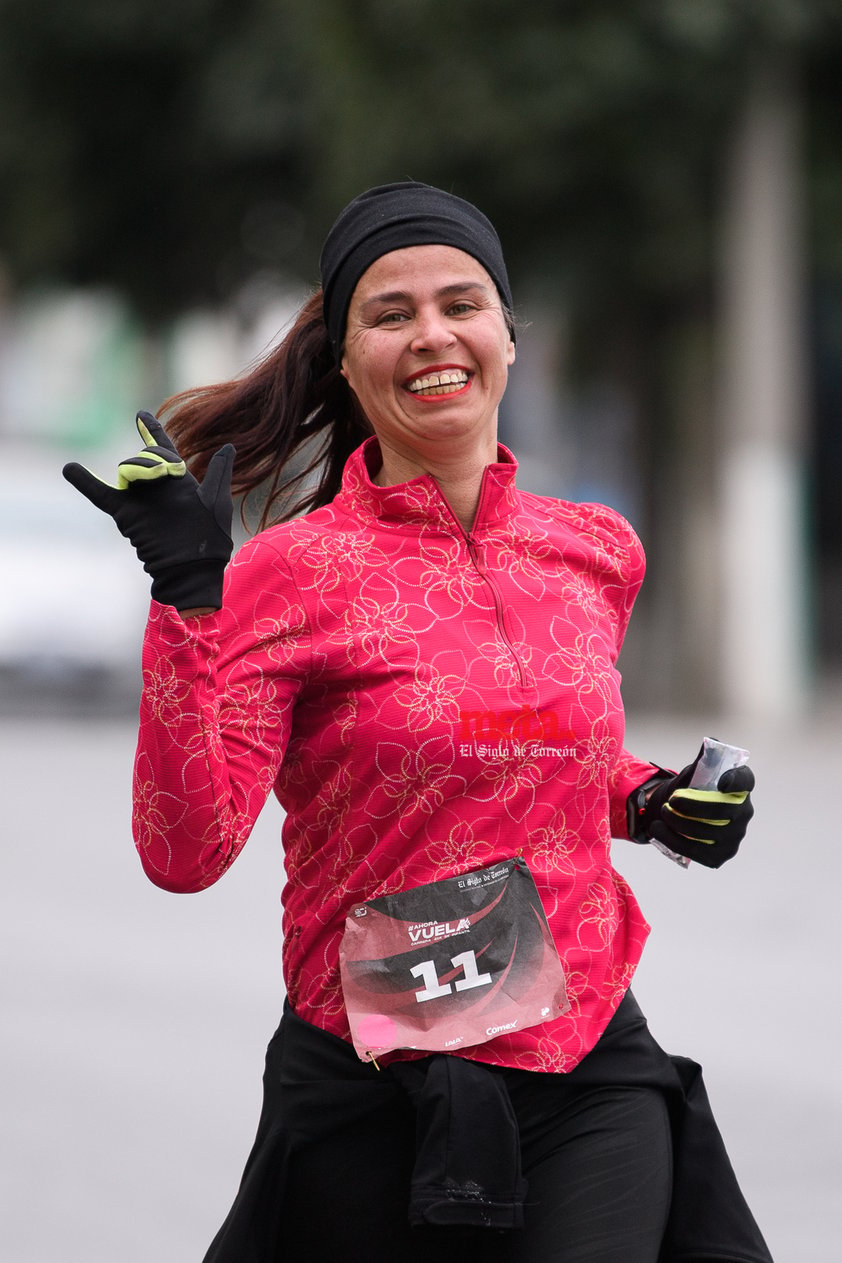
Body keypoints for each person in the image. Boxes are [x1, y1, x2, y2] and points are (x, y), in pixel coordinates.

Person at [63, 182, 773, 1263]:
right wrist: (188, 598)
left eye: (461, 303)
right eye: (389, 314)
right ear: (345, 362)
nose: (432, 334)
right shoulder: (290, 574)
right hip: (374, 1076)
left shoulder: (593, 550)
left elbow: (525, 740)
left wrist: (646, 799)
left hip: (585, 1054)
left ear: (505, 335)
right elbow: (185, 849)